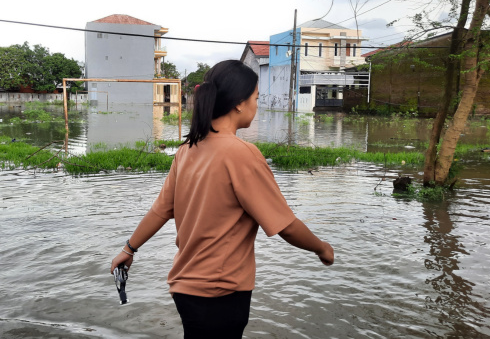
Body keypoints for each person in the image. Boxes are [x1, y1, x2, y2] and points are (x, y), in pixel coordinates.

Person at [110, 60, 334, 339]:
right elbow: (284, 224)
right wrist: (322, 248)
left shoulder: (187, 150)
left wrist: (129, 249)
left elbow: (159, 211)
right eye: (256, 98)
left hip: (185, 288)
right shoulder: (242, 154)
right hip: (222, 291)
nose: (257, 105)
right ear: (239, 103)